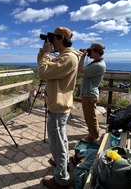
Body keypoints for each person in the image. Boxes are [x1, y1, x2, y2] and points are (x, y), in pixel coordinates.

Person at [38, 26, 83, 189]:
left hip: (58, 107)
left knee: (58, 145)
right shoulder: (64, 56)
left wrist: (47, 53)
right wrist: (43, 53)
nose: (52, 42)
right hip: (57, 105)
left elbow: (43, 72)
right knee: (59, 142)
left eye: (54, 39)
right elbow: (45, 69)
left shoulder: (68, 58)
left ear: (61, 39)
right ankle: (60, 164)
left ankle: (62, 179)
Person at [78, 42, 106, 143]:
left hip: (89, 95)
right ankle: (93, 131)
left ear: (97, 52)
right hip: (88, 94)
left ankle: (93, 136)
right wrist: (88, 51)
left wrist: (82, 56)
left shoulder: (98, 65)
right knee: (89, 116)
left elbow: (79, 69)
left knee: (90, 117)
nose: (89, 53)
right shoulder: (96, 62)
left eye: (91, 51)